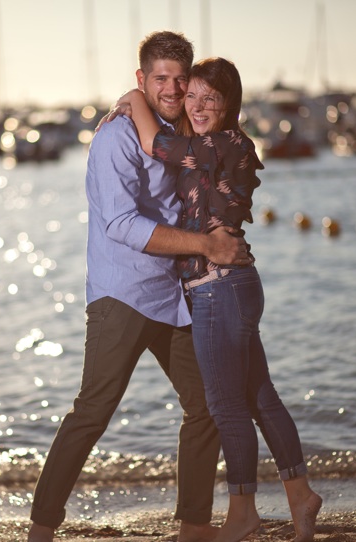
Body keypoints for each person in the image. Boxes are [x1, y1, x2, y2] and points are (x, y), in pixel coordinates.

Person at [27, 32, 253, 542]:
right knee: (92, 412)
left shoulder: (181, 131)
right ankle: (41, 530)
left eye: (180, 79)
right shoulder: (116, 137)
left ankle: (194, 527)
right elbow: (122, 225)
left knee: (207, 404)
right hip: (121, 294)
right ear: (141, 79)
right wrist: (207, 245)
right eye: (160, 80)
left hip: (172, 296)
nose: (172, 89)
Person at [104, 57, 323, 542]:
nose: (199, 106)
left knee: (226, 405)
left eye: (211, 99)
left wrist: (135, 98)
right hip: (233, 284)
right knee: (259, 397)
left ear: (228, 106)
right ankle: (300, 495)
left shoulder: (219, 143)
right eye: (194, 96)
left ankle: (243, 513)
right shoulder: (223, 144)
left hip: (217, 287)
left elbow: (155, 144)